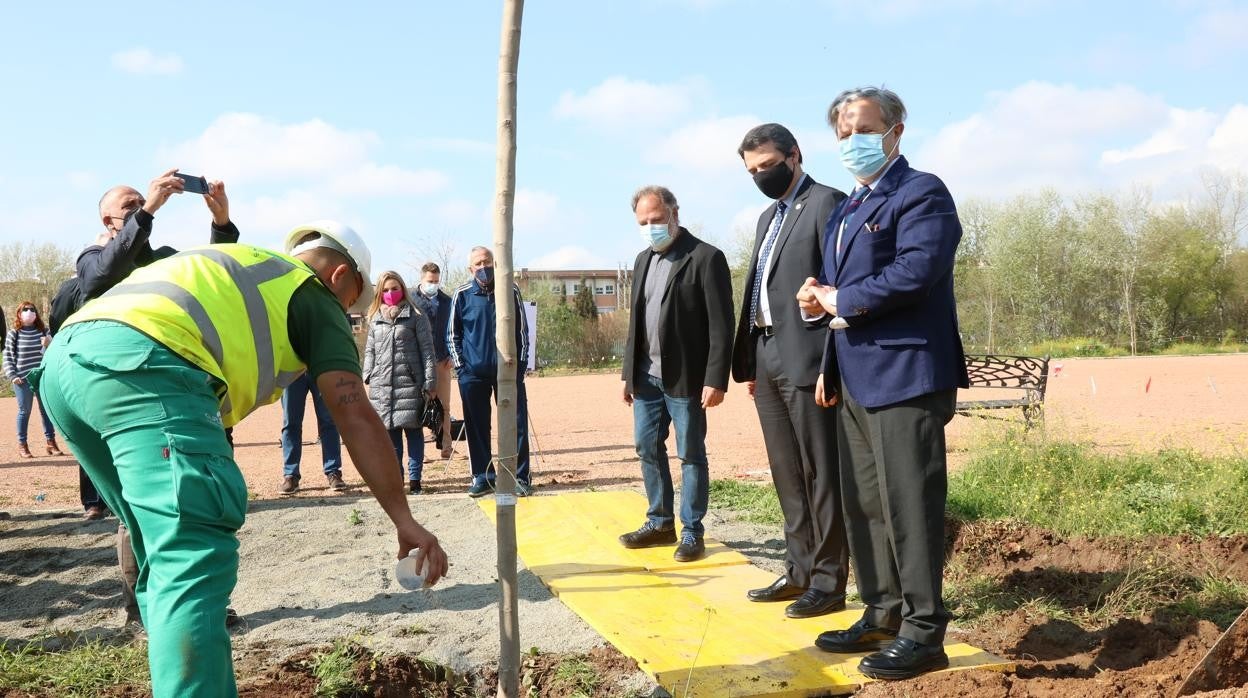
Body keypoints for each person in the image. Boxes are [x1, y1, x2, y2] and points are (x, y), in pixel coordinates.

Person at [32, 221, 449, 698]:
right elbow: (354, 413)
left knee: (157, 549)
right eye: (350, 302)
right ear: (339, 276)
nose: (346, 315)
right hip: (145, 367)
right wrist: (404, 520)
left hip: (64, 368)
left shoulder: (246, 264)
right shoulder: (312, 293)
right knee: (191, 551)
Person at [796, 86, 968, 681]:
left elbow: (917, 270)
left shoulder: (921, 192)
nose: (853, 142)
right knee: (865, 504)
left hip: (905, 374)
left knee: (909, 505)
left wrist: (840, 298)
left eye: (864, 130)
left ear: (896, 130)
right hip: (855, 377)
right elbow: (837, 295)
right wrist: (819, 312)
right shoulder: (848, 208)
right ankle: (881, 612)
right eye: (843, 134)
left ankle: (923, 632)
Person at [77, 170, 241, 622]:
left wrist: (221, 223)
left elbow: (212, 277)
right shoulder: (93, 258)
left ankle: (207, 604)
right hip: (130, 400)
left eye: (141, 202)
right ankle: (140, 611)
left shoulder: (165, 260)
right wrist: (148, 209)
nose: (139, 207)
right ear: (109, 222)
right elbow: (101, 276)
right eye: (128, 206)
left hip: (183, 395)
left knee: (198, 499)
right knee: (139, 507)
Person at [731, 124, 850, 618]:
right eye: (753, 171)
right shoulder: (767, 217)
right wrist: (752, 360)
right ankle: (799, 569)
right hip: (767, 352)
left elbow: (838, 287)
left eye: (768, 165)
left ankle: (828, 580)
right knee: (786, 470)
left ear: (794, 155)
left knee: (820, 470)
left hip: (809, 354)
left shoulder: (827, 203)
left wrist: (830, 364)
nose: (761, 176)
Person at [619, 186, 734, 563]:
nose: (650, 227)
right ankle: (660, 522)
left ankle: (691, 531)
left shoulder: (705, 257)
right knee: (646, 447)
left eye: (656, 219)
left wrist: (716, 378)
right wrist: (628, 374)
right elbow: (636, 321)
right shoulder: (642, 260)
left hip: (687, 378)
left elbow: (721, 324)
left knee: (691, 454)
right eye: (643, 222)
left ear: (674, 214)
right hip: (646, 377)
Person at [447, 246, 532, 497]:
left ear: (494, 263)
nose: (483, 267)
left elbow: (522, 331)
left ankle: (520, 477)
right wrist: (462, 368)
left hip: (508, 372)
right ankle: (483, 477)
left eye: (486, 262)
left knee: (516, 424)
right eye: (478, 263)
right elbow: (452, 334)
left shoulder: (510, 290)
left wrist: (520, 367)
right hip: (473, 374)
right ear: (470, 268)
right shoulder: (462, 294)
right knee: (477, 427)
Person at [363, 270, 436, 494]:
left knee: (414, 434)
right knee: (390, 437)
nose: (390, 293)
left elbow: (428, 351)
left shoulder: (417, 315)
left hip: (411, 385)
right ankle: (397, 480)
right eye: (385, 290)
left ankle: (415, 480)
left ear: (402, 289)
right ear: (379, 293)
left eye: (394, 288)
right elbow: (370, 350)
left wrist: (430, 381)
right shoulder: (375, 318)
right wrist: (368, 374)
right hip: (382, 387)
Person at [4, 303, 65, 461]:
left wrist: (48, 345)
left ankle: (51, 442)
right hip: (22, 379)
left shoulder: (44, 331)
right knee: (24, 411)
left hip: (41, 377)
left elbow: (53, 353)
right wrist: (13, 375)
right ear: (19, 314)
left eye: (32, 309)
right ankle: (22, 445)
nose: (29, 312)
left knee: (46, 411)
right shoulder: (14, 333)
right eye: (25, 310)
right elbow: (8, 356)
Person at [277, 373, 345, 494]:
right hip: (292, 369)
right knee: (291, 423)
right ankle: (290, 475)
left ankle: (333, 472)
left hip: (320, 367)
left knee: (329, 421)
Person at [412, 262, 454, 457]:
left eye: (436, 281)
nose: (433, 285)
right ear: (422, 279)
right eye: (430, 281)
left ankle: (446, 446)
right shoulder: (411, 300)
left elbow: (454, 329)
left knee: (444, 406)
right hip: (418, 362)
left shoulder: (447, 301)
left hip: (442, 361)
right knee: (417, 407)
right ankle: (419, 452)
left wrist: (452, 354)